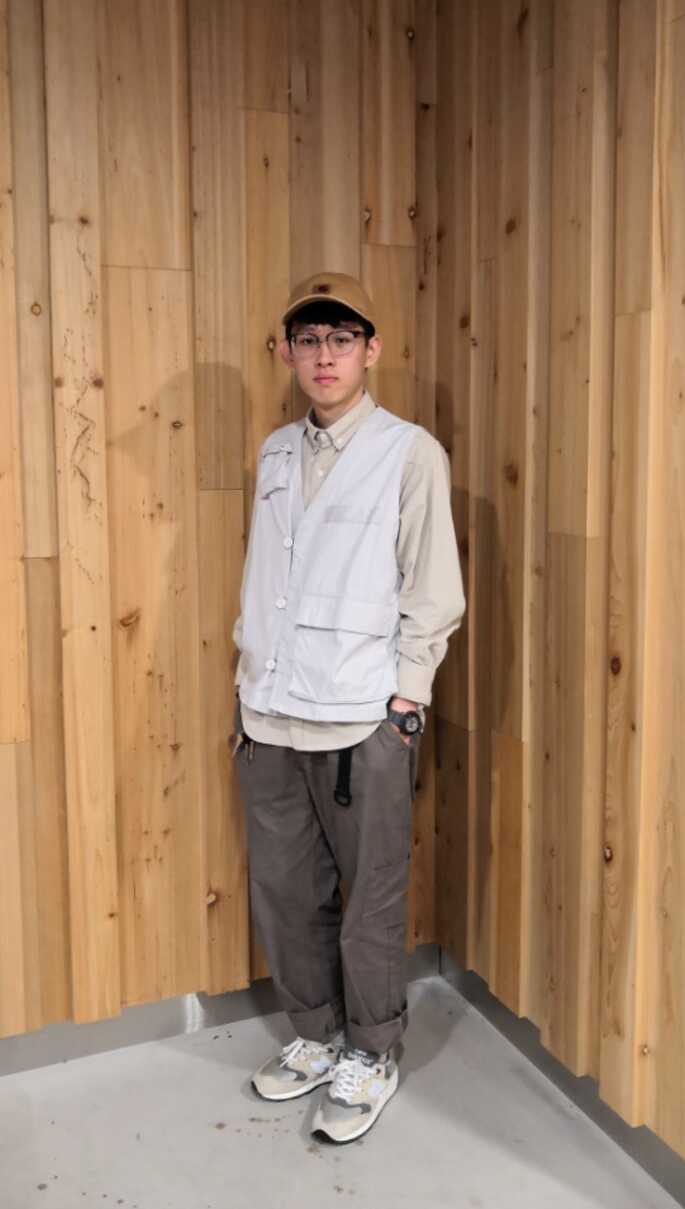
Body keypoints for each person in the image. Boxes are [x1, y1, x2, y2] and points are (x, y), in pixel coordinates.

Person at [232, 271, 465, 1143]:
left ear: (371, 350)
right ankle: (317, 1035)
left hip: (362, 716)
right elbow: (271, 572)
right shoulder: (275, 453)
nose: (323, 356)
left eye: (341, 340)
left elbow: (432, 587)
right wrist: (247, 670)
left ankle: (371, 1050)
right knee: (284, 893)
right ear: (286, 352)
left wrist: (407, 700)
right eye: (309, 340)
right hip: (269, 714)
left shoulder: (409, 452)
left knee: (369, 899)